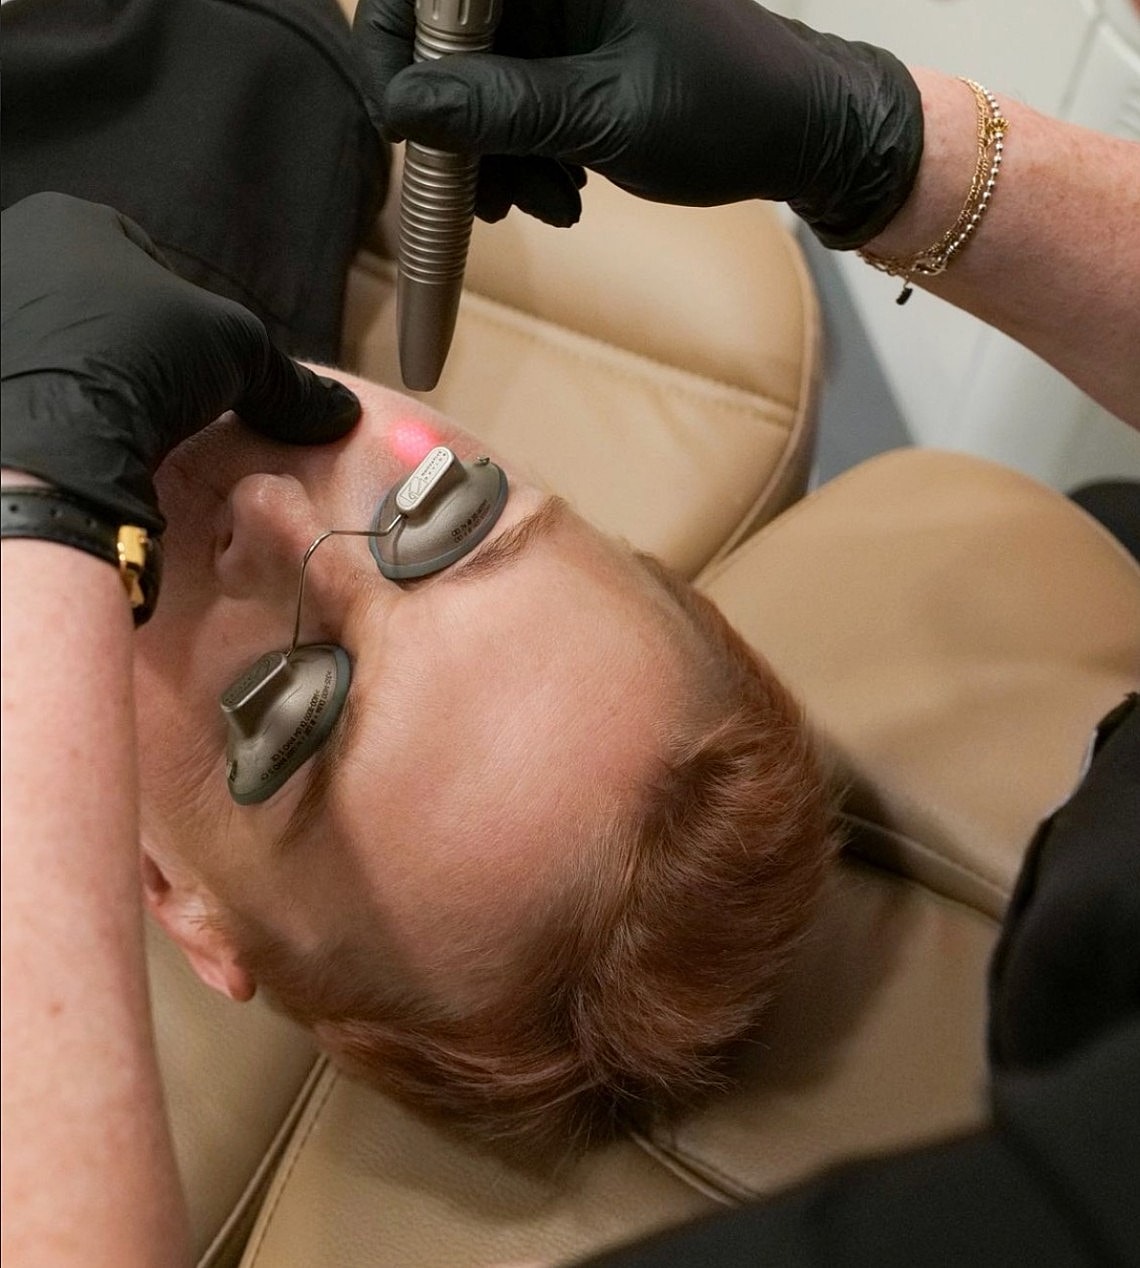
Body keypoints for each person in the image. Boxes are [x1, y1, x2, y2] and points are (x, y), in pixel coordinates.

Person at [2, 1, 1138, 1264]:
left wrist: (33, 518)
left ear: (172, 897)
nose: (268, 502)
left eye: (282, 703)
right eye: (439, 507)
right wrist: (878, 144)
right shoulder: (228, 115)